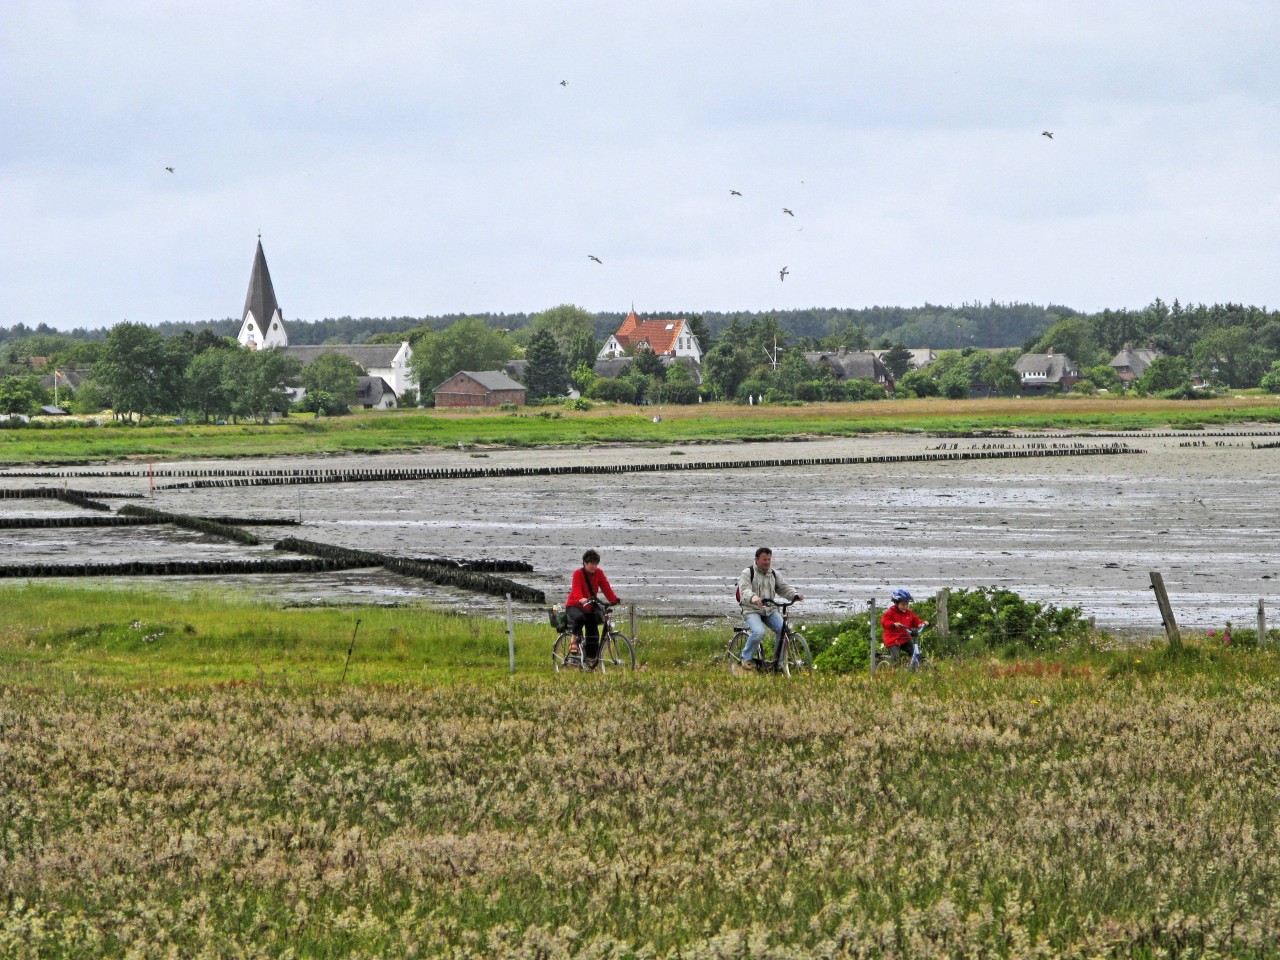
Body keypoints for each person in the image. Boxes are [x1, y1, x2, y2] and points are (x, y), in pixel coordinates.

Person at [736, 547, 804, 670]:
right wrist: (753, 598)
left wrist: (794, 595)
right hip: (751, 609)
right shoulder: (747, 573)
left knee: (784, 630)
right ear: (756, 560)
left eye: (769, 559)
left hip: (769, 610)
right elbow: (744, 590)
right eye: (764, 560)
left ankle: (778, 663)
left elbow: (783, 588)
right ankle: (745, 658)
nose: (767, 562)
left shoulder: (773, 574)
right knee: (759, 632)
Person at [565, 549, 620, 663]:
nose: (594, 566)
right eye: (592, 563)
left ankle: (591, 659)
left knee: (593, 632)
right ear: (585, 563)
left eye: (596, 563)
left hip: (589, 606)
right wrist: (581, 598)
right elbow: (576, 589)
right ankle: (573, 641)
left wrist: (614, 600)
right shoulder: (578, 573)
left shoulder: (599, 573)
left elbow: (606, 587)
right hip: (574, 605)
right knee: (580, 618)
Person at [881, 589, 929, 662]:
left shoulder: (909, 613)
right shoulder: (890, 612)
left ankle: (911, 666)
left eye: (907, 604)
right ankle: (892, 670)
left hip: (905, 638)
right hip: (892, 639)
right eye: (903, 604)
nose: (905, 606)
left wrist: (922, 623)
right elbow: (884, 622)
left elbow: (916, 621)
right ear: (896, 603)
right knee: (895, 659)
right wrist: (893, 624)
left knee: (915, 653)